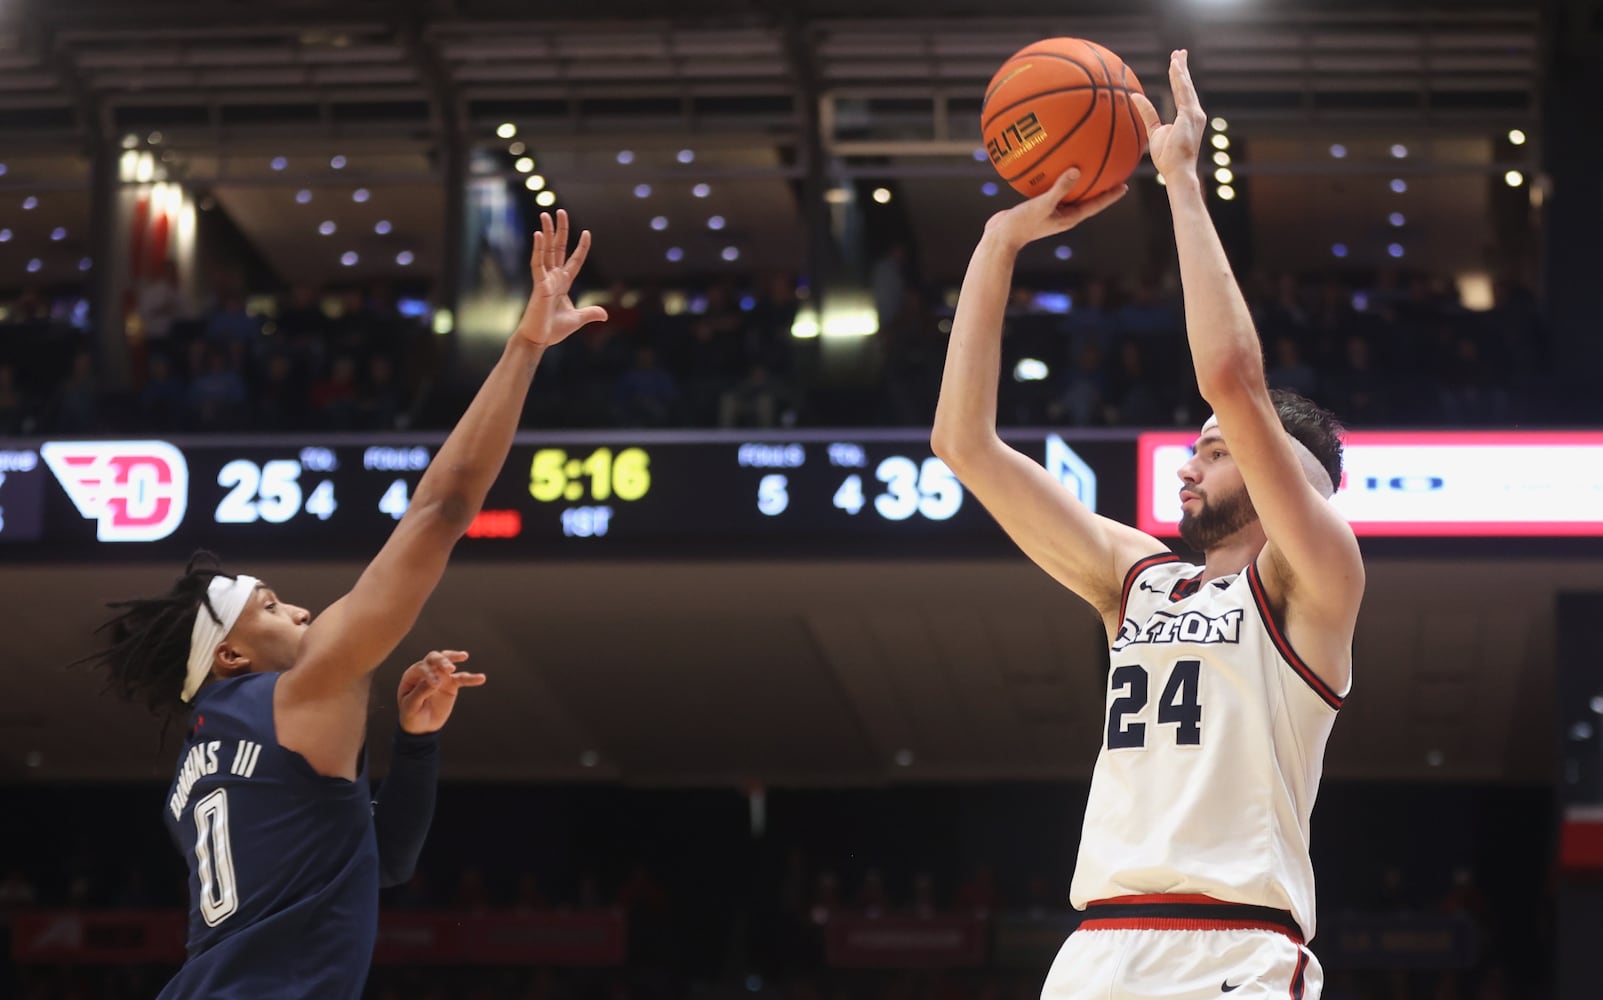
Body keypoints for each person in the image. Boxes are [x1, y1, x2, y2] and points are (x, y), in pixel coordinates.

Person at [76, 211, 608, 999]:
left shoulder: (197, 766)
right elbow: (442, 508)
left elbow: (378, 862)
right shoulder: (300, 693)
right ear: (229, 654)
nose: (298, 613)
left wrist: (415, 746)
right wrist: (525, 346)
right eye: (269, 607)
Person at [931, 51, 1361, 999]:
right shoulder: (1138, 579)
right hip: (1097, 952)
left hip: (1235, 950)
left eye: (1214, 450)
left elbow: (1231, 381)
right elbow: (961, 443)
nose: (1187, 460)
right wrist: (999, 244)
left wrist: (1178, 179)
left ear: (1292, 474)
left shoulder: (1315, 578)